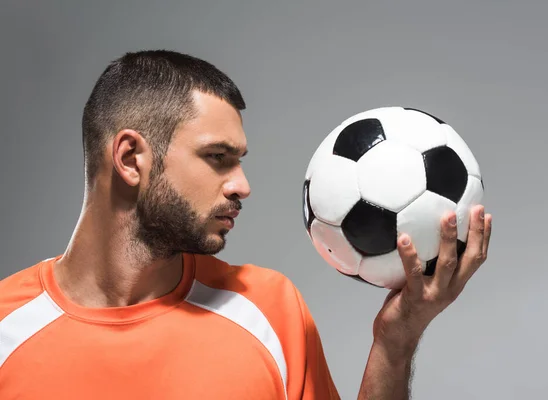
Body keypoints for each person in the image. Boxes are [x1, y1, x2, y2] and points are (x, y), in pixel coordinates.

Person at [0, 50, 492, 400]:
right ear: (131, 158)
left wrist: (396, 341)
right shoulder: (7, 329)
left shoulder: (269, 310)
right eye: (218, 158)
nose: (242, 186)